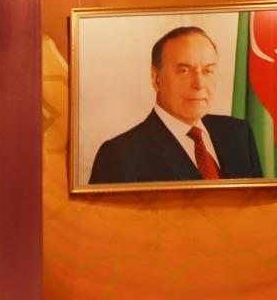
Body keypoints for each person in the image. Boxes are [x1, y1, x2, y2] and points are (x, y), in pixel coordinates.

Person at [89, 26, 264, 184]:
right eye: (184, 71)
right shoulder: (120, 155)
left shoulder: (238, 134)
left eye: (208, 70)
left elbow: (262, 207)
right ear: (156, 78)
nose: (199, 84)